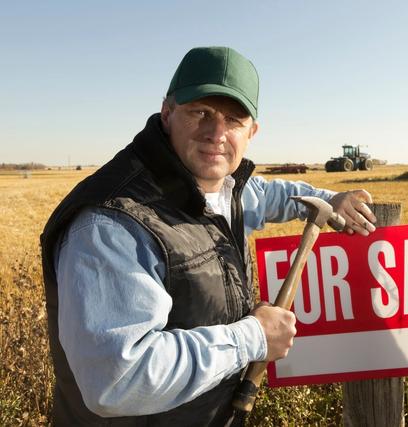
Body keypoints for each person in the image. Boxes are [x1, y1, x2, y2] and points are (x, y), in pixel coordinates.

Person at [40, 46, 377, 426]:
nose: (217, 133)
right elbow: (117, 379)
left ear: (252, 131)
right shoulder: (111, 222)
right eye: (201, 113)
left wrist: (329, 198)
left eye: (233, 119)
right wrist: (252, 337)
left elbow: (267, 194)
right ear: (168, 114)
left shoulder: (224, 189)